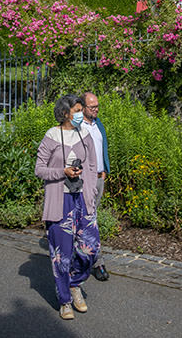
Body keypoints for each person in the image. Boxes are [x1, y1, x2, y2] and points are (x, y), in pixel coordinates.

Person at [35, 94, 100, 320]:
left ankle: (75, 284)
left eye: (82, 110)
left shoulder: (85, 134)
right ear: (65, 113)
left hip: (82, 199)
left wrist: (90, 192)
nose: (81, 115)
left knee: (90, 248)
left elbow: (92, 165)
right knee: (62, 255)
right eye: (77, 112)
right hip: (60, 200)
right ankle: (65, 300)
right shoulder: (52, 136)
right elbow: (39, 169)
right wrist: (61, 172)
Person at [81, 92, 111, 281]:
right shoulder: (78, 127)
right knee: (91, 220)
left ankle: (83, 255)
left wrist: (104, 170)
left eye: (97, 106)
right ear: (82, 107)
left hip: (99, 178)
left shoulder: (98, 124)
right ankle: (96, 262)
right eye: (92, 107)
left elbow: (103, 147)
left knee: (90, 218)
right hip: (86, 180)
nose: (96, 109)